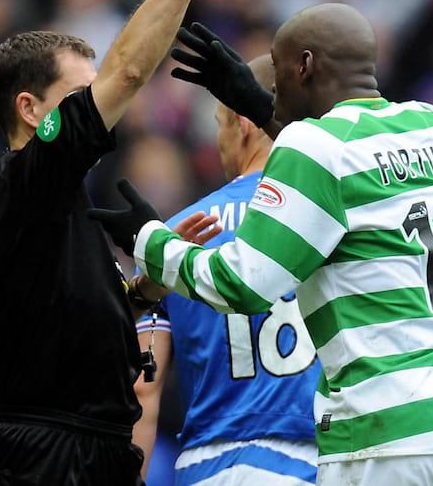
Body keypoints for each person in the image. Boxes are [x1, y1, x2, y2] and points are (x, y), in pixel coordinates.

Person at [90, 4, 433, 486]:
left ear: (305, 66)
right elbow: (350, 159)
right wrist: (253, 102)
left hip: (387, 426)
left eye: (280, 69)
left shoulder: (313, 148)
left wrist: (150, 239)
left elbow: (241, 285)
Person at [0, 0, 245, 485]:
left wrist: (144, 292)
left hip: (96, 456)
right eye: (79, 94)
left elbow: (63, 329)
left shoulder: (55, 202)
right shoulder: (22, 177)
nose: (100, 104)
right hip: (45, 461)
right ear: (31, 110)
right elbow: (126, 72)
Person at [133, 55, 322, 485]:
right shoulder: (329, 218)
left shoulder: (177, 235)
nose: (219, 140)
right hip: (309, 461)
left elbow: (143, 385)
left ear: (244, 122)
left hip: (208, 465)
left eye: (220, 123)